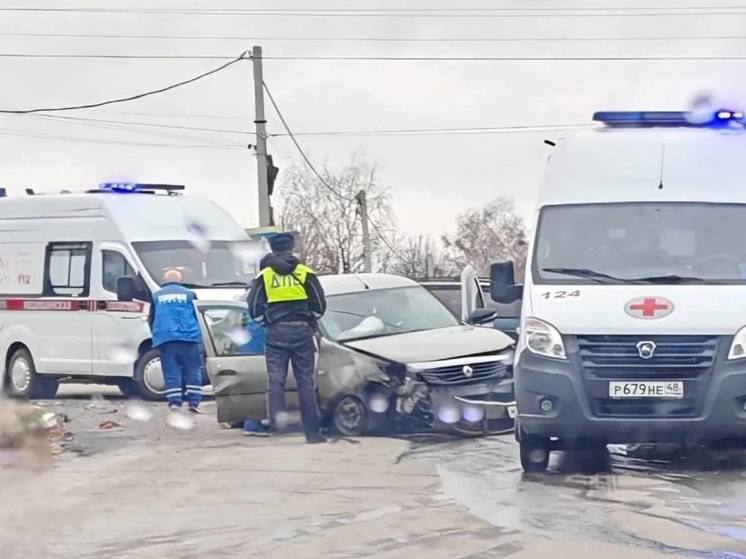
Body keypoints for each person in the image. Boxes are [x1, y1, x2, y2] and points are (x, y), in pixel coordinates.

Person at [247, 232, 327, 444]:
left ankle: (278, 429)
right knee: (306, 383)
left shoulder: (264, 276)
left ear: (273, 250)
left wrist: (267, 319)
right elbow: (320, 305)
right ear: (291, 248)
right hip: (302, 332)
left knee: (275, 380)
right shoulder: (305, 272)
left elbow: (253, 307)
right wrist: (309, 318)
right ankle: (312, 434)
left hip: (276, 332)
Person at [148, 268, 204, 415]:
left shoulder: (156, 296)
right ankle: (194, 402)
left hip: (166, 338)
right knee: (192, 369)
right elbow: (198, 316)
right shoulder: (190, 294)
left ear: (165, 281)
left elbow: (151, 318)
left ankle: (174, 403)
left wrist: (156, 334)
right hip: (189, 337)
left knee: (171, 371)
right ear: (180, 280)